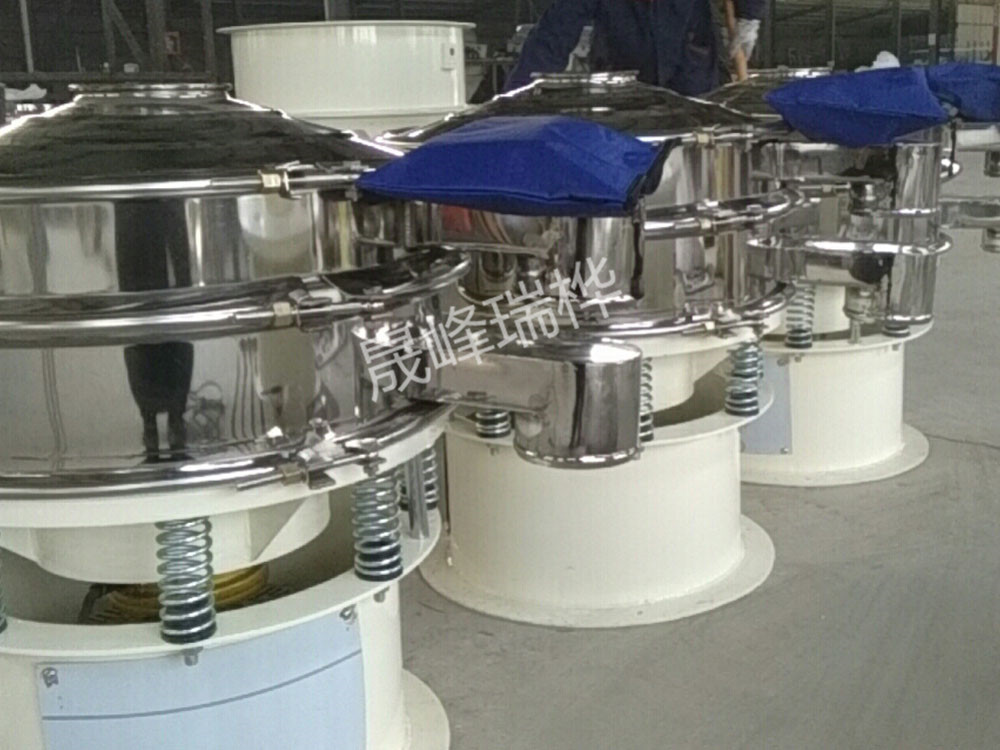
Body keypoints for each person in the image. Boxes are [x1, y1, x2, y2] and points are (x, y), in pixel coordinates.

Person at [504, 0, 767, 96]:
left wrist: (749, 14)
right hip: (623, 83)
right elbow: (553, 36)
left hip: (692, 68)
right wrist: (516, 99)